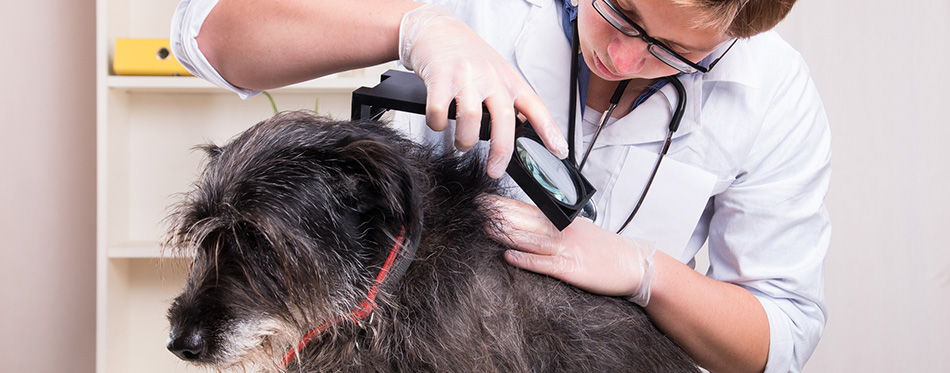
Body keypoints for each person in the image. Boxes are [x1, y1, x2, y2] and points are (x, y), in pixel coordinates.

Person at [171, 0, 831, 371]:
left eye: (673, 51)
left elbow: (780, 334)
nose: (621, 57)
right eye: (621, 10)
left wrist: (645, 272)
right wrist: (417, 27)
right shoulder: (489, 6)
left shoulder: (772, 92)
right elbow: (206, 35)